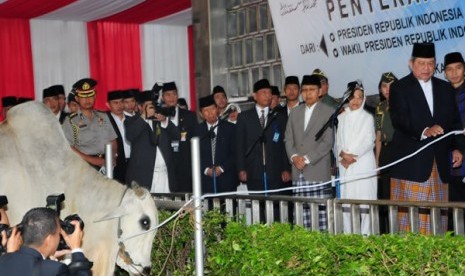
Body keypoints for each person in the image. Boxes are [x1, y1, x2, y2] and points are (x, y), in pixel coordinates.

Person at [390, 43, 464, 235]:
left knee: (438, 221)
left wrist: (456, 148)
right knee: (412, 225)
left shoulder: (445, 88)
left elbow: (455, 122)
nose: (426, 68)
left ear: (435, 65)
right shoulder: (399, 87)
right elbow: (399, 119)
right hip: (412, 165)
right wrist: (425, 130)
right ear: (411, 64)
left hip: (440, 165)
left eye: (430, 63)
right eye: (421, 63)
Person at [284, 75, 335, 231]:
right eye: (304, 90)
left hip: (317, 171)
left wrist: (305, 159)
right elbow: (288, 139)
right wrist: (294, 157)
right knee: (301, 219)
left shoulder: (329, 111)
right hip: (297, 172)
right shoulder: (294, 112)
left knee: (320, 220)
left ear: (319, 91)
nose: (308, 93)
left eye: (312, 90)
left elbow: (328, 142)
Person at [236, 79, 291, 194]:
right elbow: (240, 145)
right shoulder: (244, 117)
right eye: (264, 92)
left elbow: (284, 144)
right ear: (255, 96)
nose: (268, 96)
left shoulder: (279, 117)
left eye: (269, 92)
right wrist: (241, 169)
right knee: (258, 207)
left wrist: (286, 168)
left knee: (276, 207)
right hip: (253, 170)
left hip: (275, 170)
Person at [336, 81, 377, 235]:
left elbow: (369, 141)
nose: (356, 101)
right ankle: (349, 238)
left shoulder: (367, 118)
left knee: (366, 204)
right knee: (347, 204)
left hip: (362, 164)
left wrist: (350, 156)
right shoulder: (341, 118)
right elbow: (337, 142)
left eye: (359, 97)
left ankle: (367, 239)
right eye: (352, 97)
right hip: (345, 166)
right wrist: (342, 154)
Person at [0, 207, 92, 276]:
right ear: (49, 239)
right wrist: (76, 249)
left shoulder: (3, 260)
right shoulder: (54, 269)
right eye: (58, 233)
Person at [125, 91, 180, 193]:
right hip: (144, 177)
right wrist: (144, 117)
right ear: (140, 107)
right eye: (148, 107)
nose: (152, 109)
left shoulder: (159, 119)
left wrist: (165, 121)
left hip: (165, 176)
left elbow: (177, 135)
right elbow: (130, 135)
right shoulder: (131, 121)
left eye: (153, 106)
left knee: (166, 207)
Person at [62, 78, 118, 172]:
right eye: (83, 96)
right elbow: (68, 147)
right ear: (77, 98)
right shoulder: (71, 121)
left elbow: (112, 141)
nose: (87, 99)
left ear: (95, 96)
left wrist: (112, 157)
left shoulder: (103, 116)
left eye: (90, 95)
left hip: (107, 165)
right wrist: (92, 160)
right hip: (83, 166)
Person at [195, 95, 237, 194]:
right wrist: (206, 170)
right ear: (201, 114)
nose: (210, 113)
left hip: (227, 179)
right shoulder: (197, 131)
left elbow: (235, 153)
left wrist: (221, 168)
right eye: (206, 110)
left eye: (212, 109)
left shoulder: (230, 128)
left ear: (217, 109)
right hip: (205, 181)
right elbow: (193, 155)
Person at [161, 81, 198, 192]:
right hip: (166, 166)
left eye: (174, 94)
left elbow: (195, 141)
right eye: (168, 95)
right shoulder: (158, 117)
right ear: (163, 98)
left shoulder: (189, 116)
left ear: (178, 95)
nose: (171, 97)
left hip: (185, 166)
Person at [374, 72, 398, 233]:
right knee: (384, 195)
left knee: (398, 194)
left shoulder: (403, 104)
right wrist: (376, 163)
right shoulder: (379, 108)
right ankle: (385, 233)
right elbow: (378, 136)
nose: (387, 89)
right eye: (384, 86)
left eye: (391, 85)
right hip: (385, 153)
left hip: (400, 152)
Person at [443, 52, 465, 204]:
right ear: (444, 73)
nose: (454, 73)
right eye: (449, 69)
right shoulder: (441, 95)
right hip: (453, 156)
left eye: (458, 68)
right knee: (455, 205)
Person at [106, 90, 131, 184]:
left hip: (133, 163)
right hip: (116, 163)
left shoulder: (131, 119)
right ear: (108, 105)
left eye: (121, 102)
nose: (119, 105)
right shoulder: (105, 121)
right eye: (115, 103)